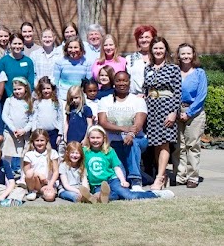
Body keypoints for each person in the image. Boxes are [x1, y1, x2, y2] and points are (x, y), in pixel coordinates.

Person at [84, 126, 170, 201]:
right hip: (97, 185)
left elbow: (116, 167)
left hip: (112, 180)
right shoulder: (85, 151)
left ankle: (155, 194)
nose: (95, 140)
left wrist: (123, 180)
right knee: (104, 196)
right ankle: (103, 196)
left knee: (128, 195)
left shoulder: (109, 151)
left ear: (104, 138)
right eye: (93, 138)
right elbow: (82, 168)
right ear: (88, 138)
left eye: (98, 138)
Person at [97, 70, 149, 188]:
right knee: (122, 176)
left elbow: (138, 124)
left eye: (125, 80)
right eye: (118, 81)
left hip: (137, 139)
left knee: (133, 143)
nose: (122, 83)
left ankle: (136, 180)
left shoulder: (138, 101)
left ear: (129, 82)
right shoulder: (105, 100)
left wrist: (130, 134)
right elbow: (103, 122)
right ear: (113, 82)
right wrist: (124, 128)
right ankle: (145, 178)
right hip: (113, 141)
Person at [142, 36, 181, 190]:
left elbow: (177, 92)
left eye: (161, 48)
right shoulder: (148, 68)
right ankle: (162, 175)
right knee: (156, 144)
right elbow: (146, 90)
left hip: (166, 107)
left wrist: (173, 112)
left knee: (164, 143)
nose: (158, 51)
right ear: (151, 50)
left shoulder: (173, 68)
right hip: (151, 107)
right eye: (155, 48)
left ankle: (158, 178)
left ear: (165, 50)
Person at [175, 43, 207, 188]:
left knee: (192, 145)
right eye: (183, 54)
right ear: (179, 56)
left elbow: (201, 95)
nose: (186, 56)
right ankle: (180, 175)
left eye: (188, 53)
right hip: (176, 112)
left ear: (193, 55)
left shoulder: (199, 73)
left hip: (195, 113)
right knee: (179, 146)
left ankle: (192, 177)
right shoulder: (174, 71)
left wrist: (188, 113)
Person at [21, 129, 59, 202]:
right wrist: (38, 174)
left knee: (50, 197)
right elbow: (27, 172)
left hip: (48, 182)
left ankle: (43, 193)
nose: (39, 143)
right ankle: (32, 191)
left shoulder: (53, 153)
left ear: (46, 141)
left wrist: (50, 185)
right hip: (34, 182)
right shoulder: (29, 154)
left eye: (42, 140)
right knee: (30, 173)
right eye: (37, 140)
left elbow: (56, 172)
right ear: (33, 142)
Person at [0, 34, 36, 99]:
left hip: (25, 98)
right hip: (7, 98)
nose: (17, 46)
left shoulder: (28, 61)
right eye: (15, 43)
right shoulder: (3, 61)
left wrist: (26, 95)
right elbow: (1, 82)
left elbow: (31, 81)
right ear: (10, 44)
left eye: (20, 44)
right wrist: (11, 95)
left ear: (23, 44)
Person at [127, 25, 156, 95]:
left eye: (147, 37)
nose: (144, 40)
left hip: (155, 98)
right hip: (135, 98)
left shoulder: (159, 58)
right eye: (141, 37)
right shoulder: (130, 59)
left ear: (153, 39)